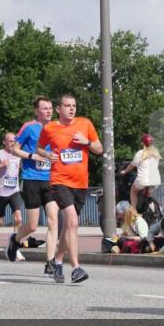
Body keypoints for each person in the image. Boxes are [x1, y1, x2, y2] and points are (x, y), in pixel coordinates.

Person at [37, 93, 102, 284]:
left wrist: (87, 142)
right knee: (72, 221)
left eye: (74, 105)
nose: (72, 109)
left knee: (69, 226)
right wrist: (48, 156)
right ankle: (76, 268)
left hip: (80, 183)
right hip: (59, 181)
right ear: (59, 109)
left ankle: (57, 261)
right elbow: (39, 148)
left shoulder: (85, 124)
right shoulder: (50, 128)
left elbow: (99, 148)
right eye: (67, 105)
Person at [7, 96, 59, 275]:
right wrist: (31, 156)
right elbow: (14, 149)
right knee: (33, 226)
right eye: (44, 108)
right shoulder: (29, 127)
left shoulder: (56, 128)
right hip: (31, 179)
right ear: (36, 111)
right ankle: (15, 239)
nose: (48, 111)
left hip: (50, 179)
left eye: (50, 108)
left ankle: (50, 263)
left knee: (53, 219)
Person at [0, 132, 24, 261]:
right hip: (1, 192)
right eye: (10, 141)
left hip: (14, 191)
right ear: (4, 142)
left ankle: (15, 246)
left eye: (14, 141)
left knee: (18, 218)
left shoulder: (19, 154)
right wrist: (0, 165)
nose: (12, 143)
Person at [122, 134, 162, 212]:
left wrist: (125, 171)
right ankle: (152, 207)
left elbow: (132, 165)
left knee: (133, 191)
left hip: (143, 180)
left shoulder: (140, 153)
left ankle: (134, 211)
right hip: (156, 180)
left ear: (143, 143)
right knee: (148, 193)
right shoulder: (156, 153)